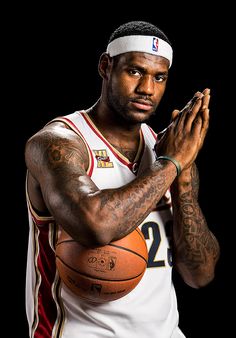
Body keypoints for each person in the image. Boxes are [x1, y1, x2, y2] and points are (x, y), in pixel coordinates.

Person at [24, 20, 220, 338]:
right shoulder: (58, 142)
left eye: (160, 77)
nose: (147, 88)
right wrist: (171, 165)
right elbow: (96, 225)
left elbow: (201, 275)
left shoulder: (168, 150)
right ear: (106, 66)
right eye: (135, 72)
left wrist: (182, 180)